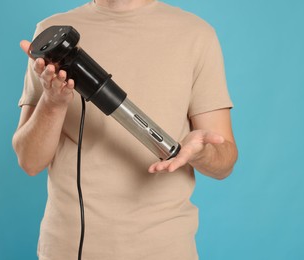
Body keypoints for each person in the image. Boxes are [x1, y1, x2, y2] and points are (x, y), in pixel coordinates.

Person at [13, 0, 238, 259]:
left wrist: (201, 154)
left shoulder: (196, 35)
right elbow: (29, 161)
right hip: (68, 248)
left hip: (164, 248)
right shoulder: (50, 31)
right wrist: (52, 103)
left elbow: (225, 162)